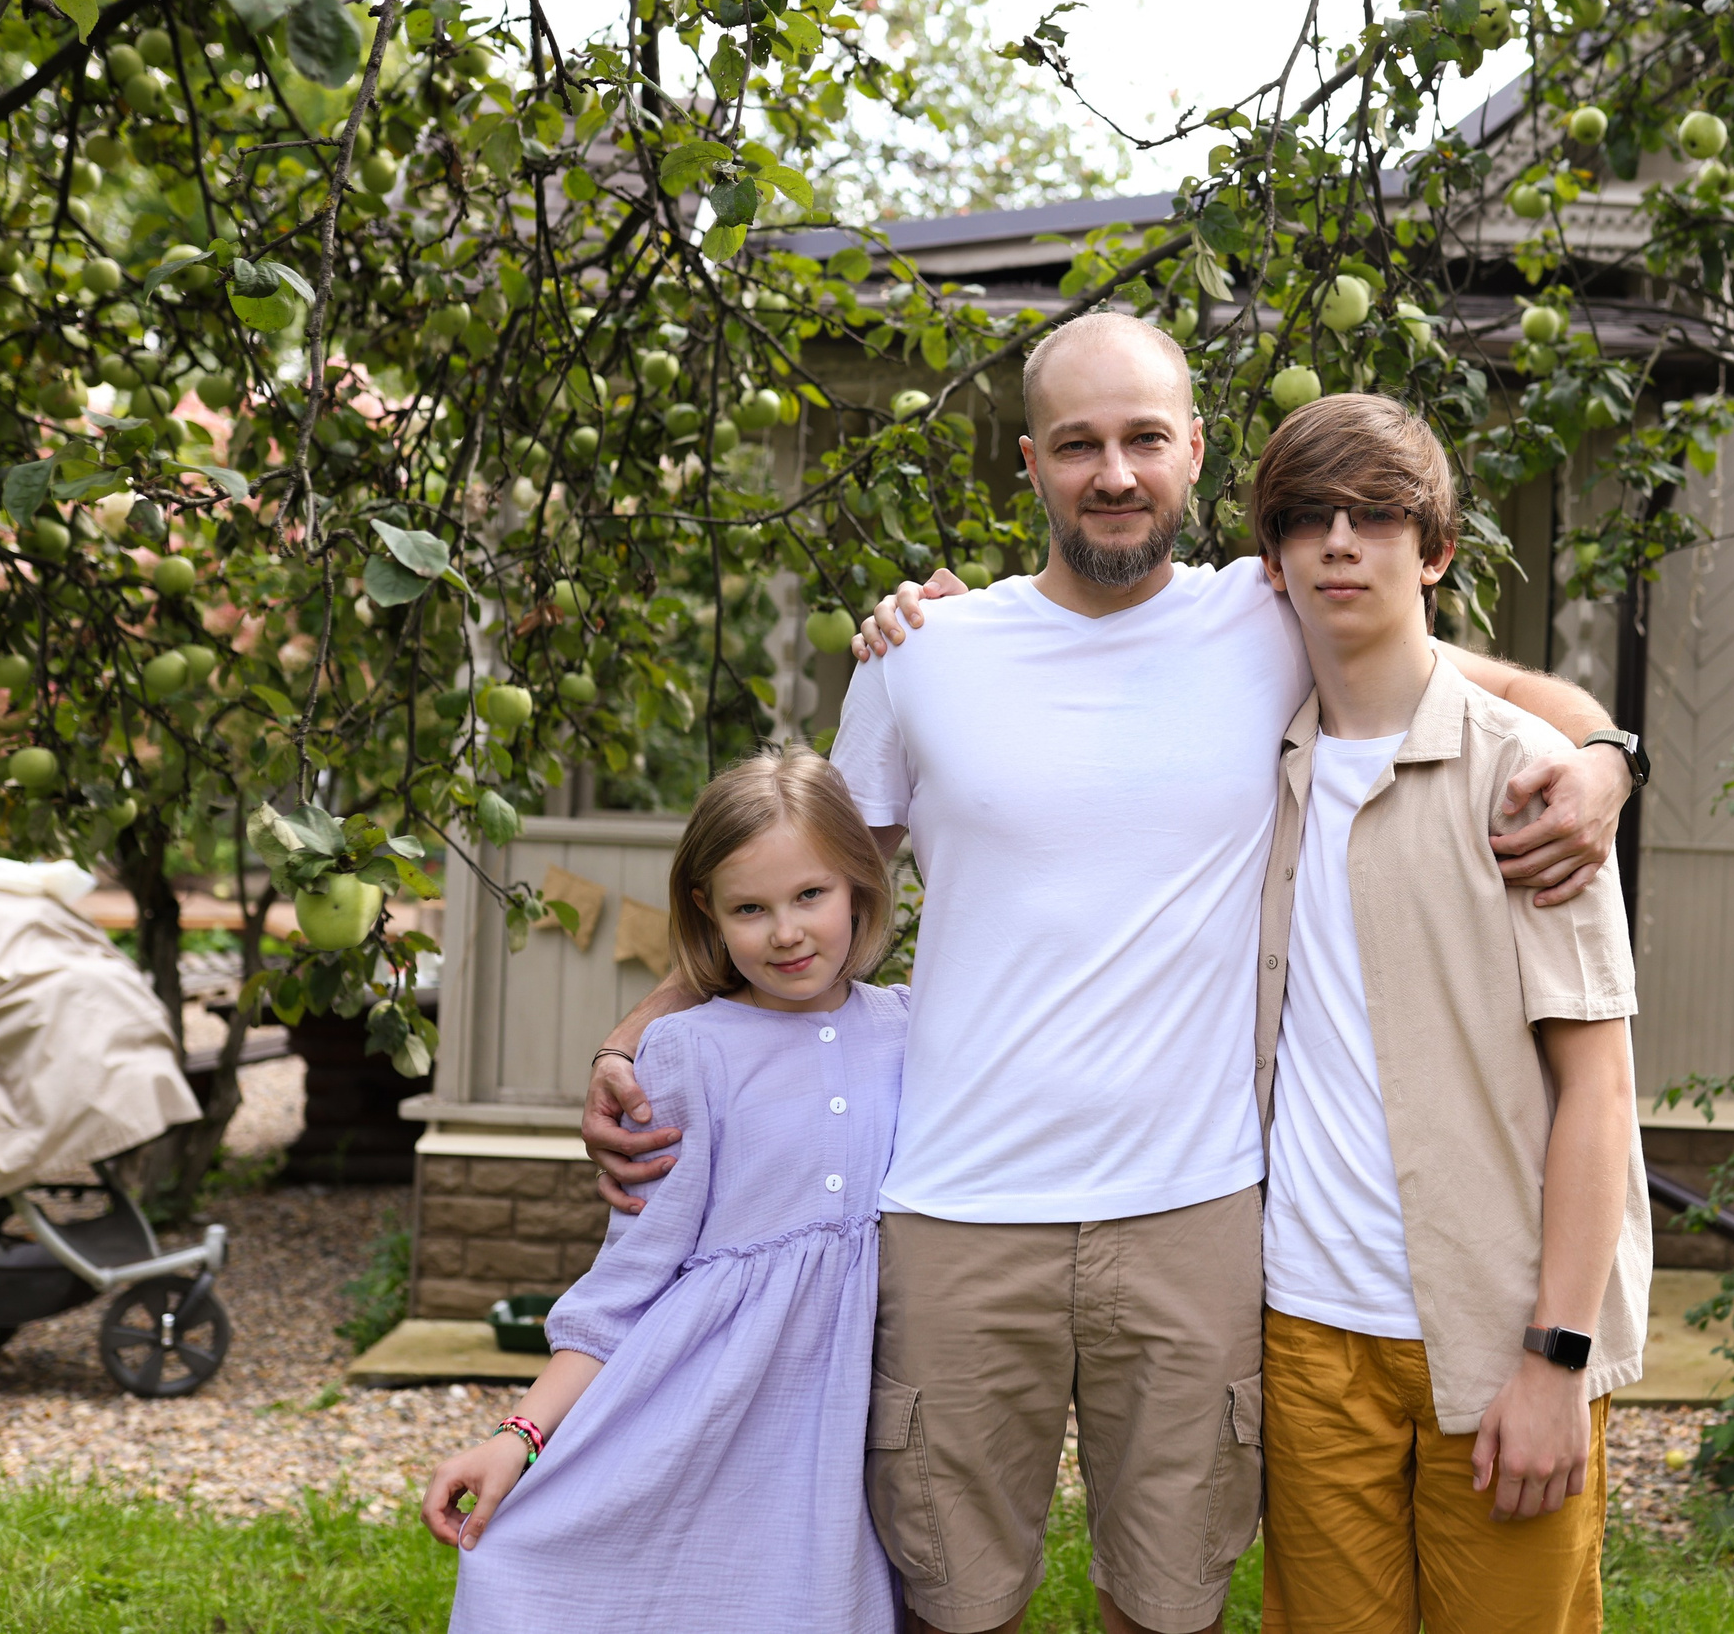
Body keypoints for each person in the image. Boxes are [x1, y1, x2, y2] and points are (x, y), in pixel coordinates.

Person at [580, 311, 1645, 1634]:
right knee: (949, 1602)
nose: (1116, 472)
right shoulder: (924, 658)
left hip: (1195, 1212)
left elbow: (1476, 688)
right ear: (1030, 461)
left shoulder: (1267, 618)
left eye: (1146, 437)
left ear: (1195, 452)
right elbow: (799, 902)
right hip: (959, 1206)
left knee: (1173, 1600)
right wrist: (641, 1027)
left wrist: (1605, 758)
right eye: (1078, 443)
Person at [1246, 394, 1654, 1634]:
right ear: (1270, 562)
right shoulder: (1253, 756)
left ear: (1433, 552)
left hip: (1497, 1337)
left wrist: (1557, 1357)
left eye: (1376, 517)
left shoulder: (1526, 777)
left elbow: (1600, 1090)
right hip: (1309, 1333)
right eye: (1308, 520)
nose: (1338, 542)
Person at [422, 748, 907, 1634]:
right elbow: (627, 1283)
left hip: (838, 1425)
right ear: (707, 914)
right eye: (749, 908)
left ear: (859, 886)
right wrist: (517, 1437)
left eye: (811, 896)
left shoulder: (911, 1029)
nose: (786, 931)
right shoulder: (689, 1050)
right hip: (702, 1412)